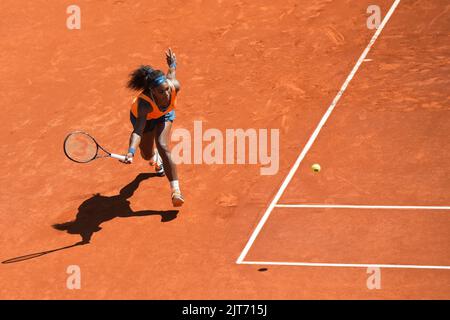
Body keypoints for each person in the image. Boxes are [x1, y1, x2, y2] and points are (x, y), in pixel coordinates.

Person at [122, 48, 184, 207]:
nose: (166, 94)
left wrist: (173, 64)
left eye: (166, 89)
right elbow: (138, 131)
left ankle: (175, 191)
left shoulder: (173, 86)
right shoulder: (144, 105)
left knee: (162, 145)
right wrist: (130, 152)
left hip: (164, 115)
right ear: (151, 91)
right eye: (160, 92)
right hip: (145, 119)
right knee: (146, 154)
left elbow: (171, 74)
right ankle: (154, 159)